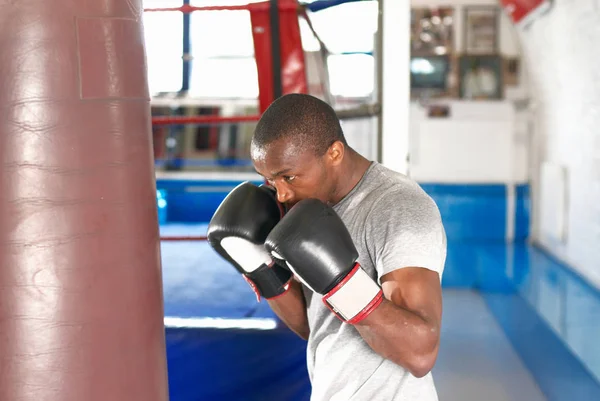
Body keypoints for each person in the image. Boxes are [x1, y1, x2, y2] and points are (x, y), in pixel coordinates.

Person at [207, 93, 447, 401]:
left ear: (334, 153)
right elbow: (317, 328)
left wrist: (345, 285)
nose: (279, 194)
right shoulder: (307, 210)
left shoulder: (397, 208)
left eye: (288, 177)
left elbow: (420, 354)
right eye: (268, 180)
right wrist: (265, 272)